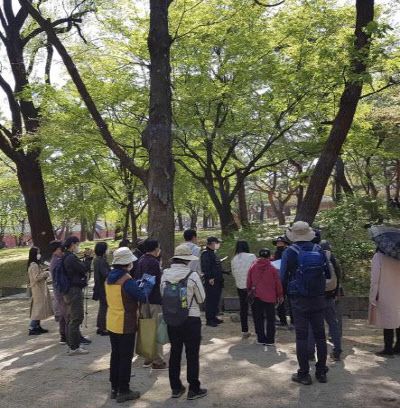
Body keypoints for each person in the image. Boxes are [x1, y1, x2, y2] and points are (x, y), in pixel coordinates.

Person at [280, 221, 330, 385]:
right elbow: (328, 274)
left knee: (301, 337)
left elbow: (282, 277)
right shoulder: (319, 249)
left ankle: (304, 374)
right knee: (320, 336)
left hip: (299, 298)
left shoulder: (289, 251)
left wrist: (285, 292)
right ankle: (321, 372)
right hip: (318, 297)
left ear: (293, 235)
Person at [106, 247, 154, 403]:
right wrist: (146, 286)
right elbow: (141, 295)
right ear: (127, 263)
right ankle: (124, 390)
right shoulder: (126, 280)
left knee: (116, 355)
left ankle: (114, 388)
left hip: (112, 321)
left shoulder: (109, 278)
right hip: (125, 323)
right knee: (125, 358)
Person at [161, 244, 207, 400]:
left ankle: (175, 388)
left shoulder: (165, 274)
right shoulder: (192, 275)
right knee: (192, 354)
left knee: (175, 352)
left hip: (172, 318)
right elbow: (201, 298)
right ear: (187, 260)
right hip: (191, 318)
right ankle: (194, 389)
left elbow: (163, 295)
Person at [307, 239, 343, 361]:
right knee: (333, 324)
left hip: (316, 297)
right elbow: (338, 277)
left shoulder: (314, 257)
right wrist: (335, 293)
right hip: (329, 297)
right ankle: (337, 351)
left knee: (312, 325)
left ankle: (310, 353)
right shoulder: (333, 259)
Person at [135, 238, 166, 369]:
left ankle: (147, 357)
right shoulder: (153, 262)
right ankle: (158, 360)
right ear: (155, 249)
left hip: (143, 300)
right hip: (153, 300)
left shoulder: (141, 260)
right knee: (157, 330)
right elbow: (154, 283)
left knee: (145, 328)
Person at [63, 236, 93, 355]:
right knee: (76, 318)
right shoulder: (70, 258)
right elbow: (83, 268)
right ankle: (74, 347)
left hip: (70, 290)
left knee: (72, 318)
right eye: (77, 244)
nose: (78, 247)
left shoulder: (67, 256)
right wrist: (89, 258)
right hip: (74, 290)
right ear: (72, 244)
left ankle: (72, 345)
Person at [247, 248, 283, 345]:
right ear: (269, 256)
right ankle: (270, 339)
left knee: (258, 318)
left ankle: (260, 338)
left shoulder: (253, 266)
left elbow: (249, 281)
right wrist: (280, 294)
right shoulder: (272, 268)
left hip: (256, 296)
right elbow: (277, 283)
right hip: (270, 297)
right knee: (270, 319)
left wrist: (249, 290)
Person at [369, 248, 400, 356]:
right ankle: (398, 347)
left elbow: (375, 278)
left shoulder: (379, 256)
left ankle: (388, 349)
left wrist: (373, 294)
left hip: (385, 292)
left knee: (387, 321)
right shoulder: (398, 256)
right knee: (397, 320)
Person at [231, 240, 257, 338]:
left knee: (243, 308)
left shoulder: (234, 259)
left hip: (240, 286)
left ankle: (244, 330)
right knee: (255, 308)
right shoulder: (252, 256)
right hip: (252, 286)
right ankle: (258, 330)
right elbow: (255, 271)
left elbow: (234, 273)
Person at [27, 247, 53, 335]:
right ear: (34, 254)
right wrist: (46, 273)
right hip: (38, 290)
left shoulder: (35, 264)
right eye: (38, 253)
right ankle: (32, 327)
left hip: (39, 289)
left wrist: (45, 272)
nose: (39, 254)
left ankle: (37, 326)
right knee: (38, 309)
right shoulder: (33, 265)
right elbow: (36, 277)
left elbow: (38, 275)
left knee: (39, 308)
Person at [200, 237, 224, 327]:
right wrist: (210, 277)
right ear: (212, 243)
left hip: (217, 280)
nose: (218, 244)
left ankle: (214, 317)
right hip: (211, 281)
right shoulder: (205, 254)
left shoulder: (213, 253)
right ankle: (209, 319)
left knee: (215, 299)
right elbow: (206, 267)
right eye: (216, 243)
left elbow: (215, 266)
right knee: (210, 300)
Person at [49, 240, 68, 343]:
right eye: (61, 249)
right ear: (56, 250)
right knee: (66, 314)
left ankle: (64, 336)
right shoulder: (57, 261)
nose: (63, 251)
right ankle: (67, 336)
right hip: (61, 291)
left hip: (59, 290)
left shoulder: (57, 259)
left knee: (62, 313)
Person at [273, 236, 292, 328]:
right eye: (277, 243)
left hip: (289, 278)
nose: (279, 244)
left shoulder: (289, 252)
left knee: (291, 300)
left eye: (280, 243)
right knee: (280, 300)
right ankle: (283, 320)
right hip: (279, 279)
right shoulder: (276, 253)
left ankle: (293, 320)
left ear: (285, 243)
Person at [93, 242, 110, 336]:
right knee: (105, 307)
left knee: (102, 307)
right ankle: (103, 328)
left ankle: (100, 326)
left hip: (99, 286)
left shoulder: (96, 259)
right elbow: (105, 273)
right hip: (103, 286)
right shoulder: (102, 260)